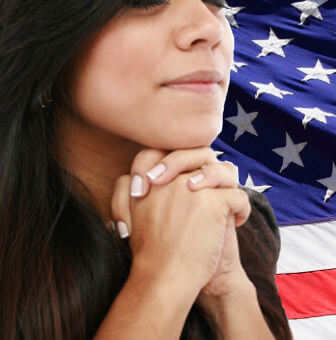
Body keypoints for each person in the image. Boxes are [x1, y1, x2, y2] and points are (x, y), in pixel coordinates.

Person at [0, 0, 293, 339]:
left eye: (216, 2)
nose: (210, 29)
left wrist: (230, 292)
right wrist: (164, 278)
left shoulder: (239, 220)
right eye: (144, 2)